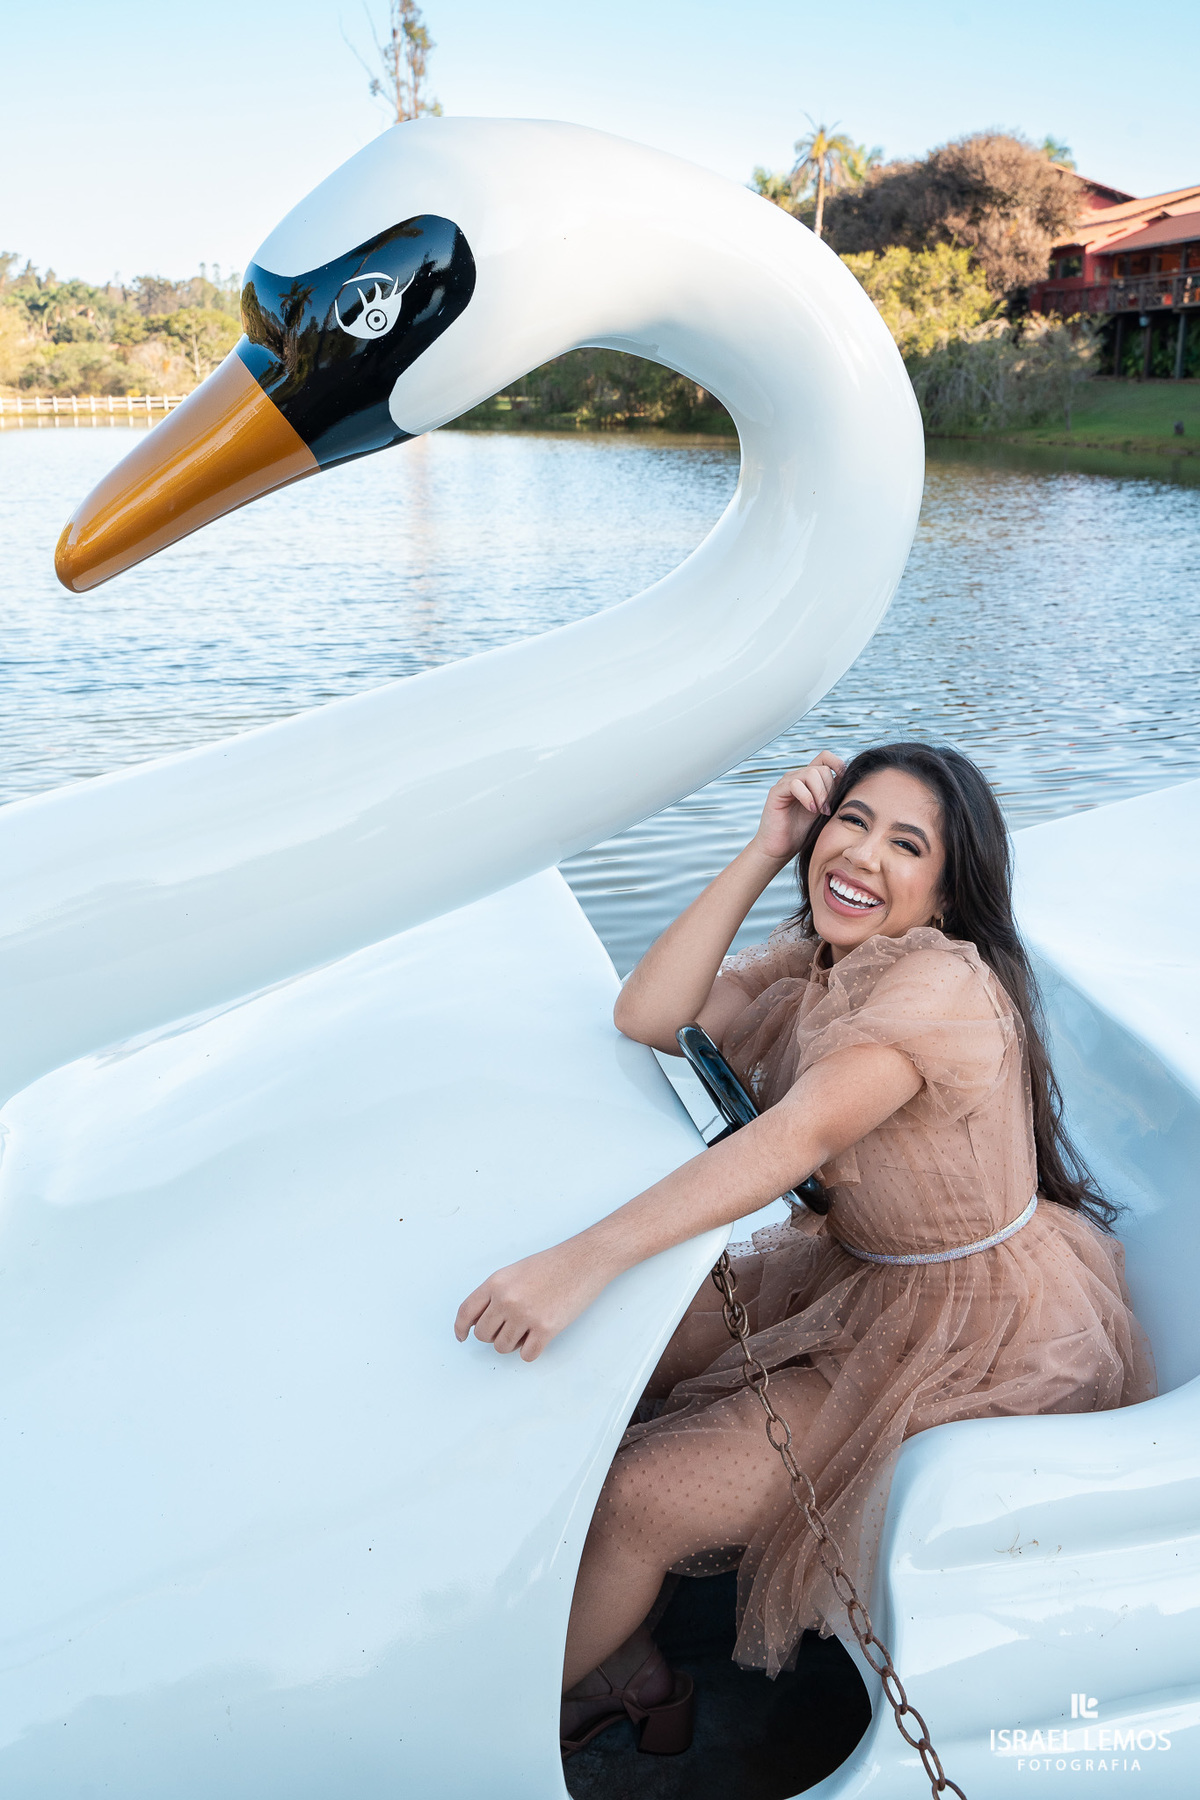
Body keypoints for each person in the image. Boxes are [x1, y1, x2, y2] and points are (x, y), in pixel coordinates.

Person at [454, 742, 1156, 1756]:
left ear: (949, 894)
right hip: (854, 1274)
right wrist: (763, 845)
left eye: (904, 844)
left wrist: (579, 1260)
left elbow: (800, 1137)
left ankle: (478, 1742)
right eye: (851, 821)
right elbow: (650, 1015)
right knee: (622, 1359)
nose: (863, 854)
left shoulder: (938, 988)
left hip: (970, 1334)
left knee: (640, 1498)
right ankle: (622, 1660)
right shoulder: (823, 960)